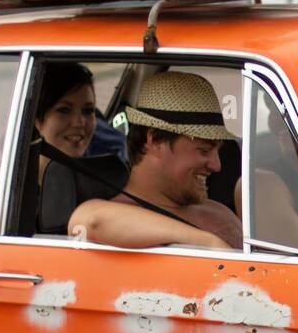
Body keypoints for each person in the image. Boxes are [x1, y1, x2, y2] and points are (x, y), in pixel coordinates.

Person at [69, 71, 241, 250]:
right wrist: (207, 242)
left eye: (217, 151)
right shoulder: (112, 216)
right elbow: (88, 221)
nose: (217, 165)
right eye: (204, 150)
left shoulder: (217, 211)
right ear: (156, 141)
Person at [0, 61, 99, 228]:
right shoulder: (7, 192)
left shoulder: (94, 182)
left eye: (88, 111)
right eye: (64, 110)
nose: (79, 123)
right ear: (36, 119)